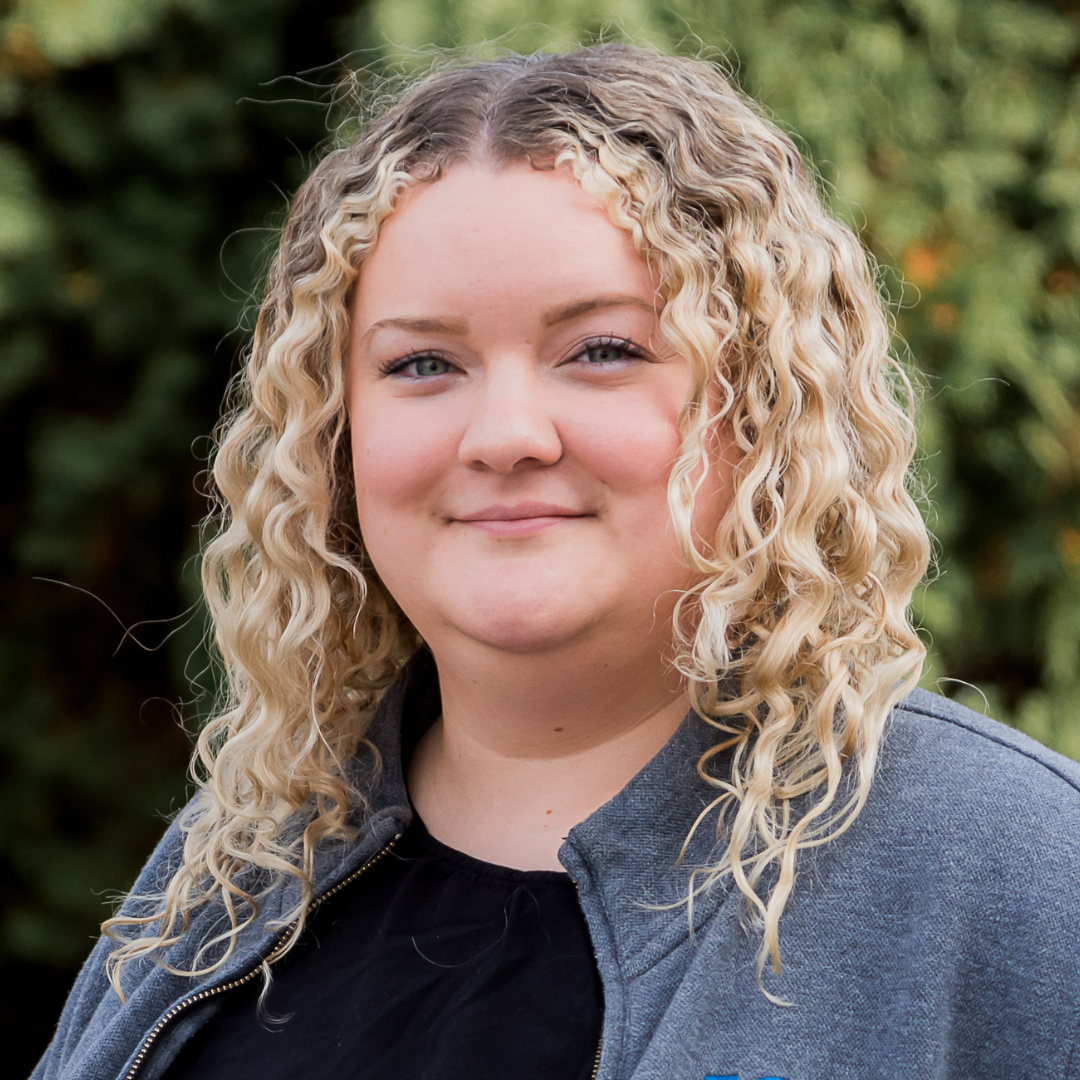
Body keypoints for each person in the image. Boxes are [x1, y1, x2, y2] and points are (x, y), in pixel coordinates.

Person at [33, 44, 1080, 1080]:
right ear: (333, 434)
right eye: (423, 364)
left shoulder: (1011, 867)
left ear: (761, 404)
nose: (504, 434)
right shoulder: (234, 869)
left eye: (603, 350)